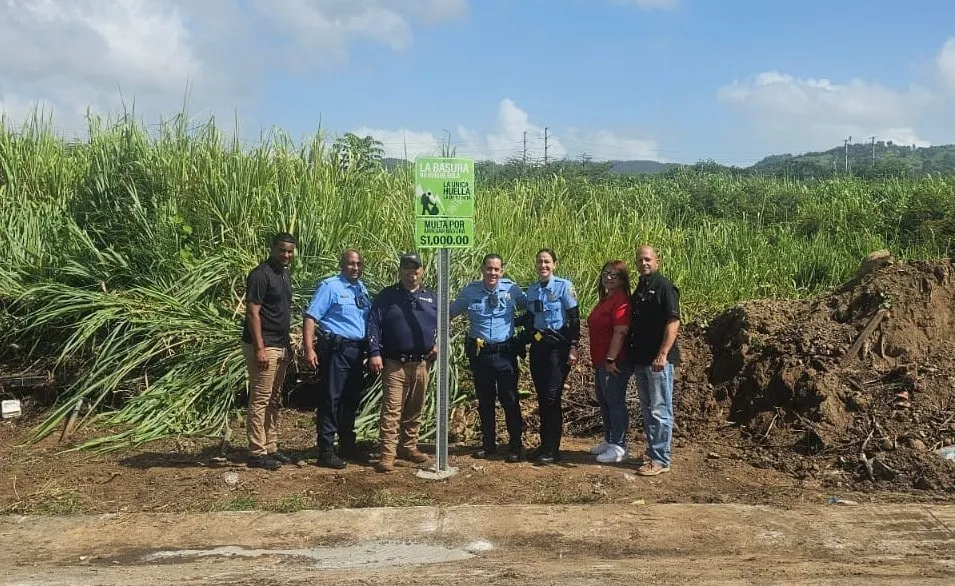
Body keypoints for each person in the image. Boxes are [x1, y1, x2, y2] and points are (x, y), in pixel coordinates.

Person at [450, 254, 528, 463]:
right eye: (489, 268)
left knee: (510, 400)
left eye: (496, 269)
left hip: (505, 354)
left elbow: (530, 309)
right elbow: (450, 313)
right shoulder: (470, 291)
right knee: (485, 401)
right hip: (481, 355)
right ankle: (488, 445)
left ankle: (515, 446)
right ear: (482, 269)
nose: (492, 272)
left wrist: (526, 334)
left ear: (502, 271)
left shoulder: (512, 289)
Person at [366, 252, 437, 473]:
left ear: (422, 271)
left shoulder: (431, 297)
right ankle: (387, 455)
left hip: (421, 364)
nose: (411, 272)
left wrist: (437, 343)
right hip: (395, 364)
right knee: (392, 410)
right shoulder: (388, 296)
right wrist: (374, 352)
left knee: (415, 409)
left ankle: (408, 447)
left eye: (415, 268)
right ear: (400, 270)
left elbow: (443, 322)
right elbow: (373, 323)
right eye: (407, 267)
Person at [303, 249, 371, 469]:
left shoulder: (361, 288)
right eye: (351, 263)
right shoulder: (330, 286)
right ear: (342, 265)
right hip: (336, 350)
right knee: (331, 399)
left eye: (359, 264)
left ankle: (348, 446)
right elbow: (311, 317)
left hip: (356, 351)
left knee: (351, 399)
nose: (355, 268)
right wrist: (309, 349)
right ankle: (325, 451)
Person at [241, 232, 297, 471]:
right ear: (273, 249)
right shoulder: (260, 275)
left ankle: (270, 446)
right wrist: (260, 348)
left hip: (280, 344)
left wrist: (288, 346)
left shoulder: (284, 274)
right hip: (265, 344)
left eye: (290, 251)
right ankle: (257, 451)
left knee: (274, 398)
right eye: (282, 250)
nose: (286, 255)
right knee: (261, 398)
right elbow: (253, 312)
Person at [523, 248, 580, 464]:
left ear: (554, 264)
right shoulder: (532, 290)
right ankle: (544, 444)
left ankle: (553, 448)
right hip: (539, 348)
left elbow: (574, 318)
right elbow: (530, 319)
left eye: (547, 262)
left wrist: (574, 346)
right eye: (540, 262)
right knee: (542, 397)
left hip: (559, 348)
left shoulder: (564, 286)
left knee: (552, 397)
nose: (543, 265)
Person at [628, 245, 681, 476]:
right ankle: (653, 453)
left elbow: (673, 321)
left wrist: (663, 354)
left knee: (660, 410)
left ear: (657, 261)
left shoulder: (664, 286)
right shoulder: (641, 286)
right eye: (640, 260)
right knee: (648, 410)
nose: (644, 263)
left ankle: (661, 459)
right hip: (641, 359)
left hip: (658, 360)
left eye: (648, 259)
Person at [586, 260, 633, 463]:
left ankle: (619, 446)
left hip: (614, 361)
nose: (608, 277)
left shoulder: (621, 300)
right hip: (600, 360)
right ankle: (609, 439)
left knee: (614, 401)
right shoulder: (606, 298)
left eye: (613, 275)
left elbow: (620, 331)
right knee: (604, 400)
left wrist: (611, 358)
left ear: (622, 279)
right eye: (605, 273)